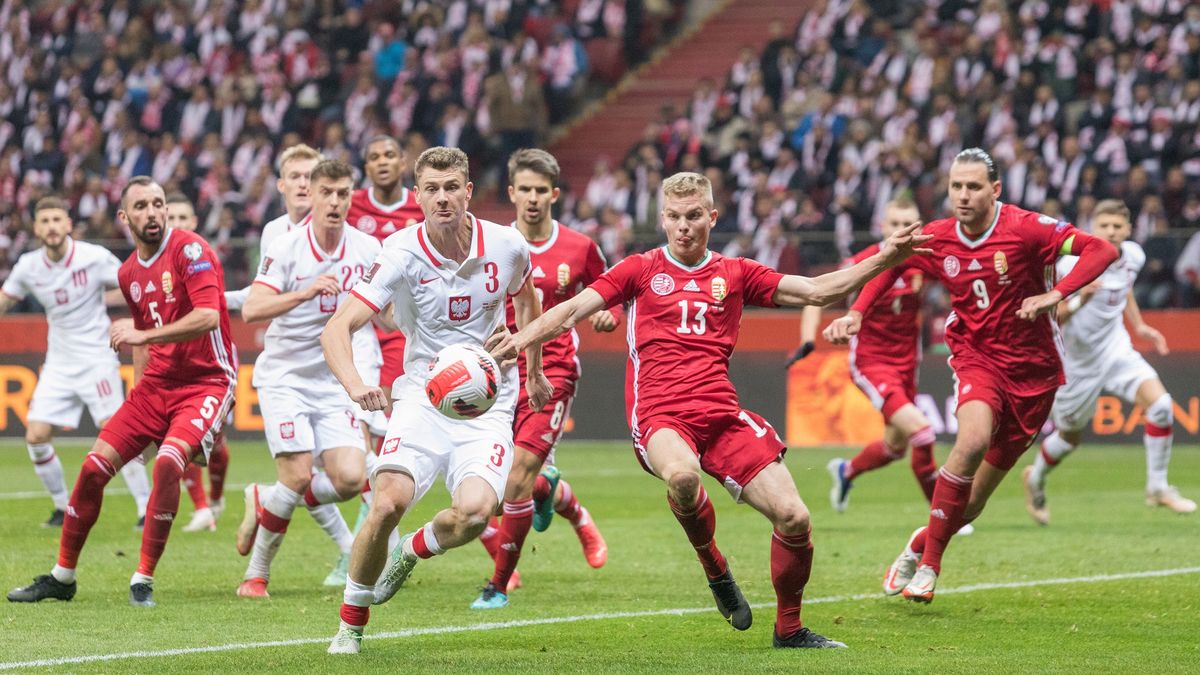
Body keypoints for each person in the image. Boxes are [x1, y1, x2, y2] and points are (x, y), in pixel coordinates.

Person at [490, 171, 933, 649]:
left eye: (694, 216)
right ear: (663, 219)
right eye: (675, 217)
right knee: (682, 478)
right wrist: (519, 341)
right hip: (660, 415)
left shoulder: (736, 273)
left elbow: (817, 291)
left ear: (712, 217)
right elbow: (571, 309)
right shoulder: (639, 269)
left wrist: (886, 257)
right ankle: (715, 567)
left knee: (795, 518)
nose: (684, 226)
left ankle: (789, 630)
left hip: (722, 415)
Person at [824, 148, 1119, 603]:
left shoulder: (1026, 229)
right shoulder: (937, 236)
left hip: (1036, 374)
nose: (963, 195)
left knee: (973, 503)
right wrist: (859, 312)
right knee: (971, 441)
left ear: (995, 190)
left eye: (973, 186)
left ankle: (919, 545)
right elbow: (892, 263)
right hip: (976, 358)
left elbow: (1101, 248)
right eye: (956, 186)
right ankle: (930, 568)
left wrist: (1054, 295)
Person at [323, 146, 550, 654]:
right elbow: (338, 327)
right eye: (431, 188)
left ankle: (412, 550)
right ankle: (350, 625)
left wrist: (532, 367)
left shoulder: (508, 245)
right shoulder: (399, 252)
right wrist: (357, 384)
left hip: (487, 399)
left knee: (474, 514)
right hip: (423, 396)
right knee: (385, 505)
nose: (442, 198)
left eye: (452, 187)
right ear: (418, 195)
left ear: (468, 192)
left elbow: (527, 299)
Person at [7, 176, 237, 607]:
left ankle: (142, 579)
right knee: (94, 468)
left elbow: (207, 316)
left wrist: (145, 336)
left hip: (206, 381)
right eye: (142, 206)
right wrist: (138, 395)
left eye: (158, 204)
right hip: (153, 387)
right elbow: (141, 342)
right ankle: (62, 576)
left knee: (168, 464)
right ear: (124, 217)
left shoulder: (190, 250)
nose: (152, 213)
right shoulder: (129, 272)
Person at [472, 149, 615, 609]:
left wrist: (607, 316)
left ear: (553, 194)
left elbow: (606, 293)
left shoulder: (579, 247)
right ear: (511, 193)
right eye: (524, 190)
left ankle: (497, 585)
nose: (532, 199)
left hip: (551, 373)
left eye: (541, 191)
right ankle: (572, 507)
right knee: (488, 483)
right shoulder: (490, 244)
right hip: (493, 373)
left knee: (515, 478)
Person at [233, 159, 381, 598]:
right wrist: (306, 290)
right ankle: (256, 575)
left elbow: (387, 311)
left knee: (353, 478)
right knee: (297, 475)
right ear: (311, 197)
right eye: (327, 193)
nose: (335, 202)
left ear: (352, 196)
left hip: (334, 378)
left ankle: (265, 497)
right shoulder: (287, 246)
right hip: (285, 376)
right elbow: (252, 309)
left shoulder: (368, 248)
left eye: (343, 193)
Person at [1022, 199, 1195, 524]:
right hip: (1077, 364)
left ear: (1128, 230)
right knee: (1069, 439)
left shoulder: (1133, 255)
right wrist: (1079, 301)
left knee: (1161, 407)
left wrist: (1140, 325)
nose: (1112, 232)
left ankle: (1157, 487)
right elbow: (1051, 316)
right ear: (1092, 228)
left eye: (1118, 227)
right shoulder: (1069, 267)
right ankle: (1036, 478)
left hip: (1116, 350)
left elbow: (1124, 288)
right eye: (1105, 226)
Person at [795, 198, 957, 527]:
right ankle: (946, 518)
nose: (901, 230)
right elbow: (816, 295)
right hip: (871, 363)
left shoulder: (923, 259)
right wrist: (808, 338)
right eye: (894, 224)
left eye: (907, 224)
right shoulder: (864, 261)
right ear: (883, 227)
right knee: (923, 433)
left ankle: (846, 470)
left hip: (909, 365)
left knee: (895, 447)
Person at [0, 197, 151, 529]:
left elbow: (134, 283)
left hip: (96, 359)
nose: (52, 226)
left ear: (69, 224)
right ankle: (59, 507)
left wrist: (117, 306)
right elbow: (6, 300)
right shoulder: (28, 266)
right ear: (36, 228)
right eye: (45, 221)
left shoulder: (93, 258)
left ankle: (145, 508)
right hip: (58, 363)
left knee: (116, 431)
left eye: (57, 219)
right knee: (36, 435)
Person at [164, 192, 231, 533]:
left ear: (193, 223)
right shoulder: (157, 263)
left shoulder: (202, 258)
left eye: (181, 218)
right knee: (183, 438)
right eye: (170, 217)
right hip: (176, 365)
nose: (175, 224)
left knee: (214, 442)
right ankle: (203, 507)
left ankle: (215, 499)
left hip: (211, 366)